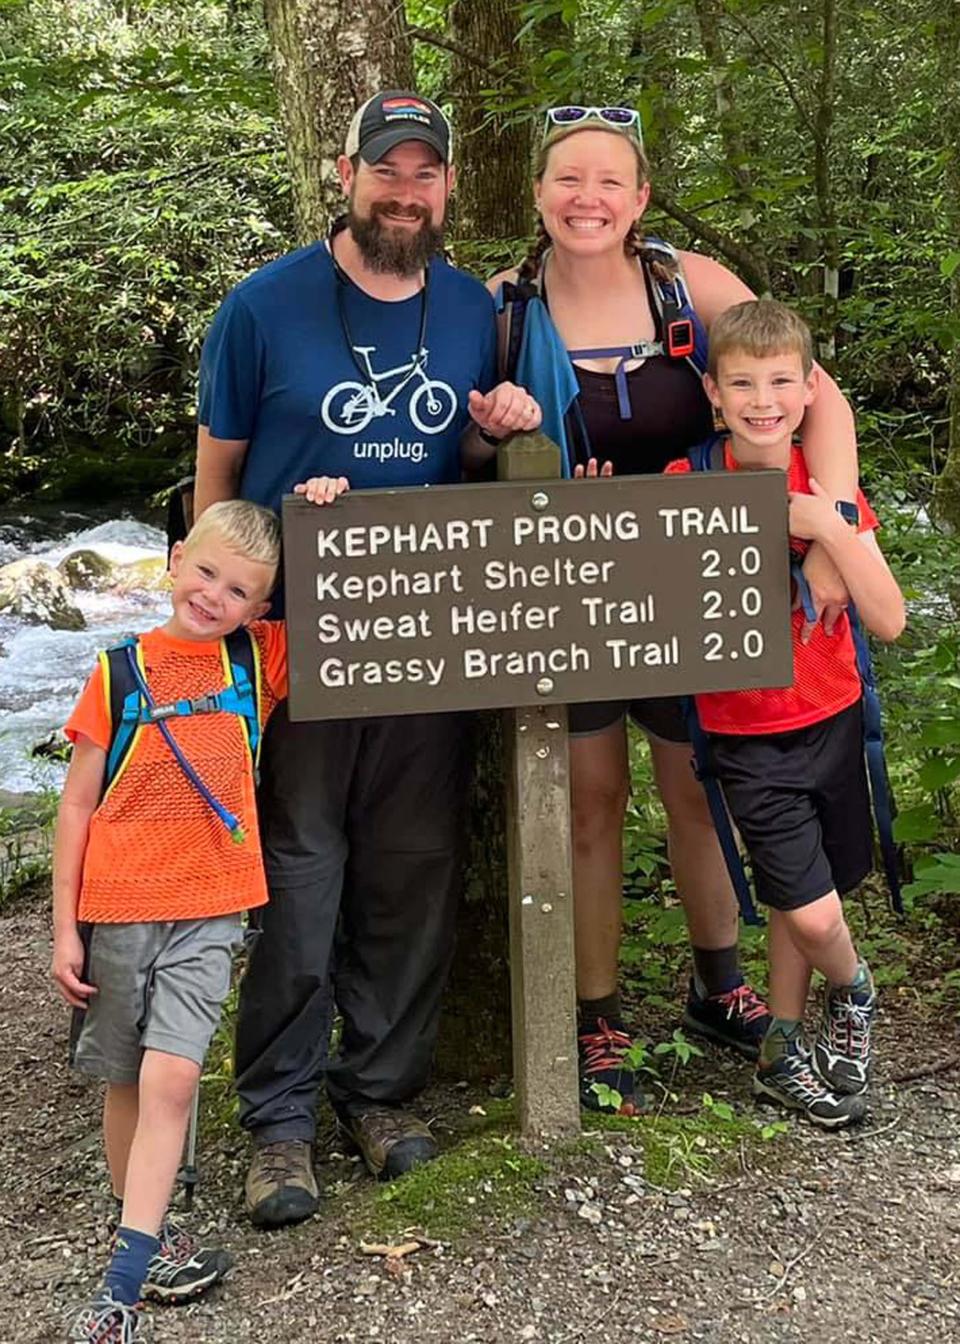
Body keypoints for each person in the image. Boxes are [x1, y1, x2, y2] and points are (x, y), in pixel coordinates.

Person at [194, 89, 540, 1228]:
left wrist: (499, 431)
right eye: (386, 171)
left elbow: (490, 454)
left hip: (430, 642)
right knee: (299, 881)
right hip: (297, 646)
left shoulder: (471, 308)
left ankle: (380, 1096)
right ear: (345, 175)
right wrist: (223, 636)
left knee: (411, 870)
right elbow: (216, 489)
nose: (406, 191)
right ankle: (280, 1123)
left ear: (446, 186)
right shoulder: (262, 308)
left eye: (425, 173)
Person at [487, 106, 864, 1115]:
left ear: (641, 197)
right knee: (594, 799)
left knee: (699, 787)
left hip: (705, 583)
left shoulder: (688, 284)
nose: (589, 199)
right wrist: (501, 445)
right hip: (571, 590)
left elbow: (814, 395)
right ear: (537, 192)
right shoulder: (503, 307)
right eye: (569, 179)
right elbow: (464, 450)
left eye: (611, 181)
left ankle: (718, 984)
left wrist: (832, 528)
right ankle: (599, 1014)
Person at [665, 298, 904, 1126]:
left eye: (779, 382)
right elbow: (652, 597)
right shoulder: (684, 485)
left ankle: (783, 1051)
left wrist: (827, 530)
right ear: (714, 393)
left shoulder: (829, 489)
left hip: (832, 721)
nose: (762, 399)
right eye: (742, 384)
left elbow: (890, 618)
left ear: (808, 392)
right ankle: (857, 990)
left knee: (797, 898)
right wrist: (775, 516)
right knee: (810, 906)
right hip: (744, 737)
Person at [53, 500, 285, 1342]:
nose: (215, 596)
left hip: (212, 909)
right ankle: (142, 1230)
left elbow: (351, 607)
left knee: (174, 1078)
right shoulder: (117, 672)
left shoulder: (258, 661)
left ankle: (121, 1280)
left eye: (240, 591)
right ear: (176, 559)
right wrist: (63, 929)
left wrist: (330, 503)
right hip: (115, 909)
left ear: (261, 611)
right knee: (125, 1077)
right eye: (207, 572)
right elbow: (76, 806)